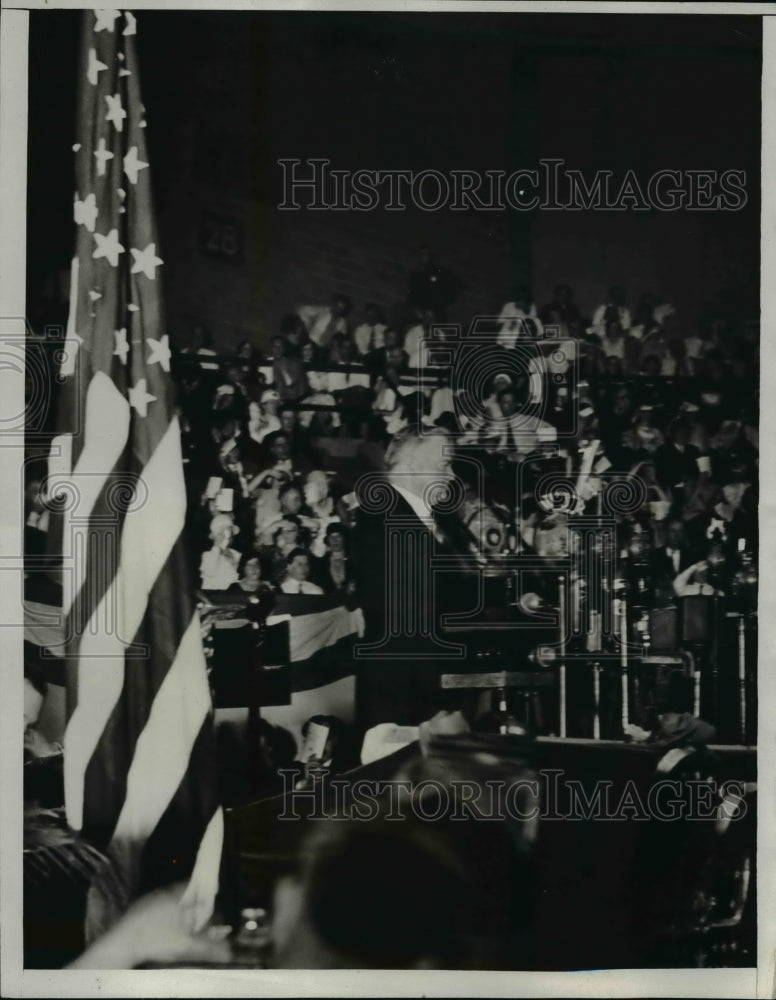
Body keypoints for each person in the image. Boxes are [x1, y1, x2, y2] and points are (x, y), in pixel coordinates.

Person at [407, 247, 462, 321]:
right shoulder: (415, 275)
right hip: (418, 314)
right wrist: (416, 310)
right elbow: (412, 294)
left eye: (427, 254)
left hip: (435, 313)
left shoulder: (439, 272)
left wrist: (434, 309)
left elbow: (454, 287)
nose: (424, 257)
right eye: (422, 254)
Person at [199, 513, 242, 591]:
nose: (227, 536)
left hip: (231, 598)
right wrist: (217, 547)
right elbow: (209, 572)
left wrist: (233, 563)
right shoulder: (207, 555)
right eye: (221, 533)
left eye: (230, 532)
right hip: (212, 598)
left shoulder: (236, 555)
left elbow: (237, 580)